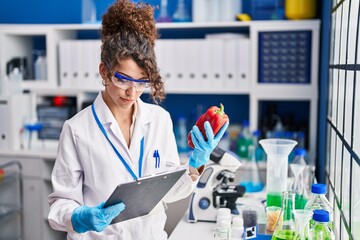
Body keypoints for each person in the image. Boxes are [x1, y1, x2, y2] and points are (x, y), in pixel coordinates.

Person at [47, 0, 229, 239]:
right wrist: (80, 217)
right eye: (123, 80)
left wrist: (195, 164)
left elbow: (170, 192)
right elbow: (60, 205)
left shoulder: (159, 119)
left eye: (142, 83)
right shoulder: (77, 129)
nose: (131, 92)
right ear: (104, 71)